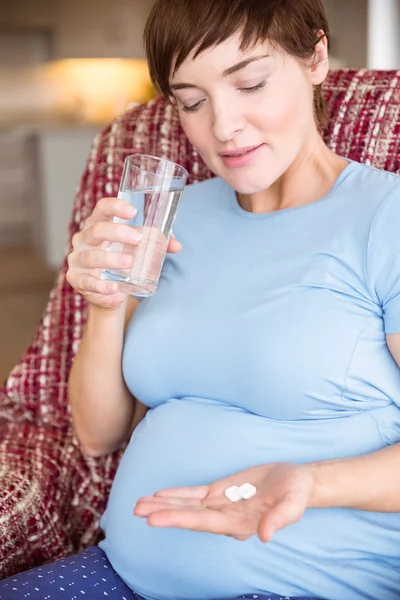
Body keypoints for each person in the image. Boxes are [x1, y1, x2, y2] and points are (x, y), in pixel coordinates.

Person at [1, 0, 400, 599]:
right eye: (191, 101)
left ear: (315, 56)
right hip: (120, 573)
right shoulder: (170, 213)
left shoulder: (384, 218)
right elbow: (97, 435)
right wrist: (105, 304)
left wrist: (313, 484)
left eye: (251, 84)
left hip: (304, 585)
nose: (223, 126)